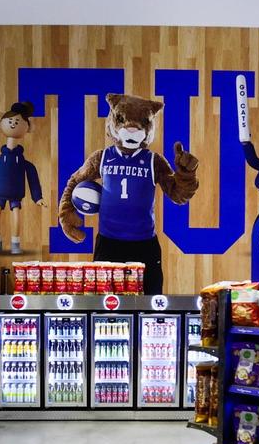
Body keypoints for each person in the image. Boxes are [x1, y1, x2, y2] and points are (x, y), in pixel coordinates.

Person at [57, 93, 199, 295]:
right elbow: (75, 181)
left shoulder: (154, 161)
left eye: (142, 123)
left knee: (150, 303)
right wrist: (67, 213)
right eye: (123, 120)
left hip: (144, 245)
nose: (132, 128)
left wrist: (186, 174)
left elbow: (178, 195)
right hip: (108, 243)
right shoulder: (102, 157)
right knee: (104, 304)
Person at [0, 101, 46, 255]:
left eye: (17, 121)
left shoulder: (23, 162)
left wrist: (37, 197)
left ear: (28, 128)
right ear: (0, 124)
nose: (13, 124)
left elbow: (32, 176)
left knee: (15, 211)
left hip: (16, 193)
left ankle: (15, 243)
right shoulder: (0, 160)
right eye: (10, 121)